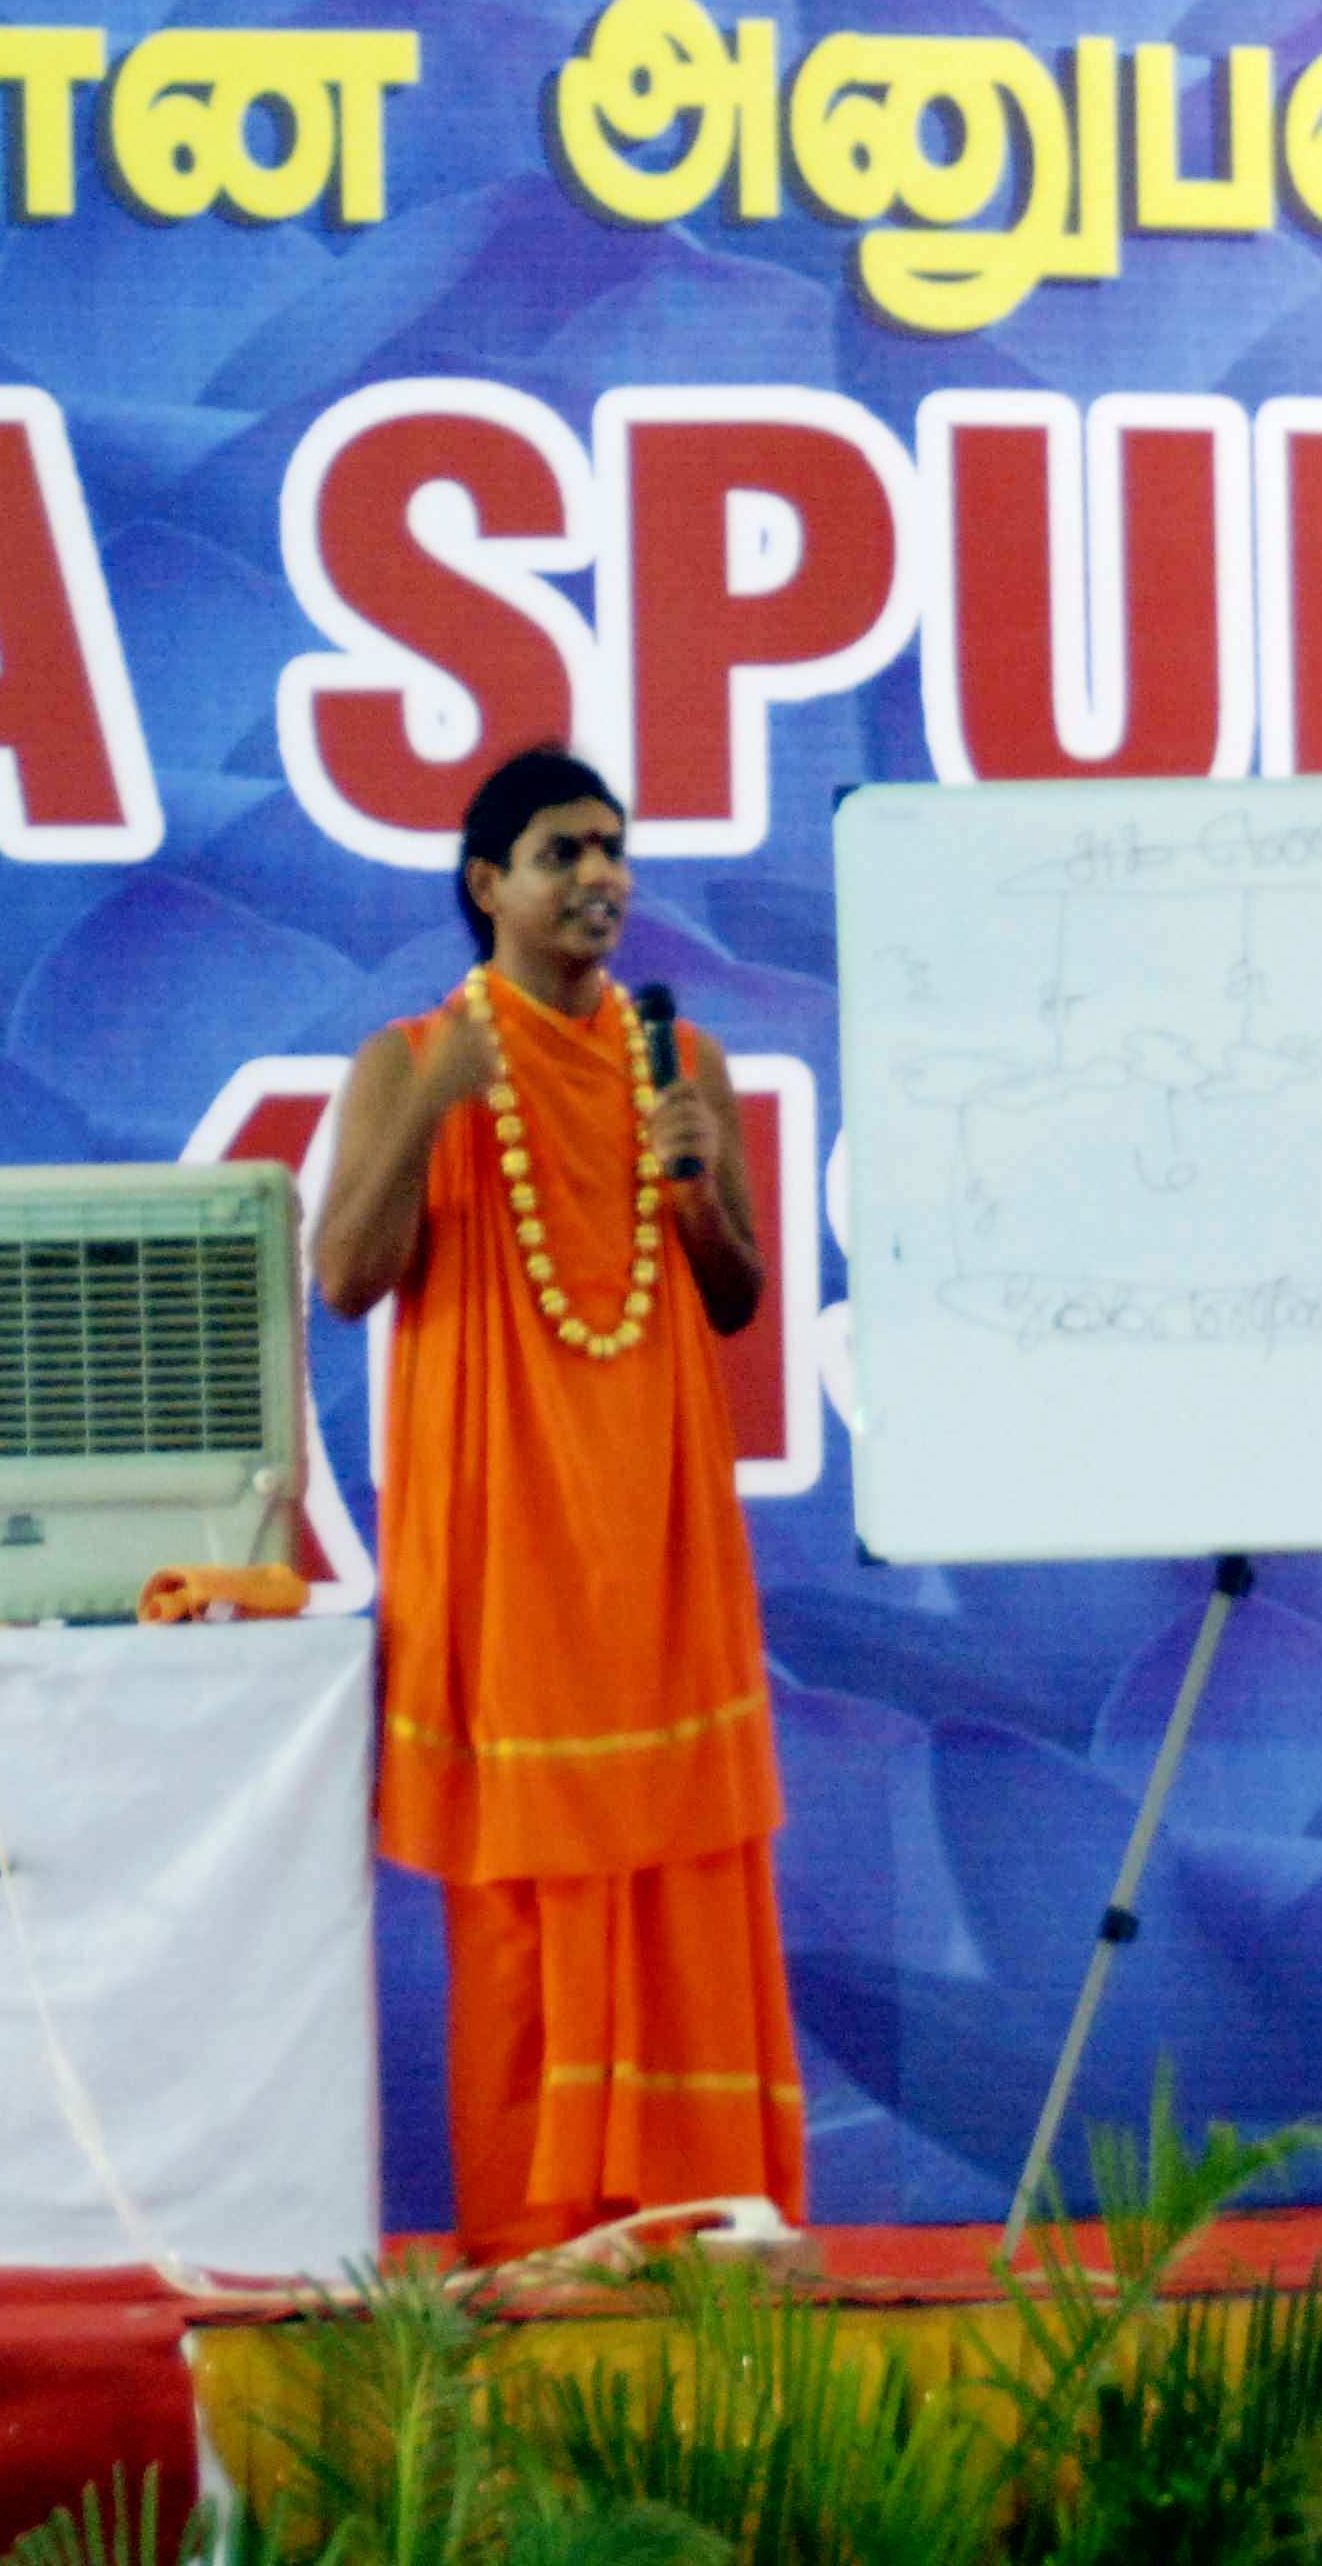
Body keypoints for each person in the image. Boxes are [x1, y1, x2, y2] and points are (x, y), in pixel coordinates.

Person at [311, 745, 804, 2265]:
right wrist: (431, 1109)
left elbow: (735, 1297)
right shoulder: (410, 1057)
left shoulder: (682, 1060)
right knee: (531, 1880)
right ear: (488, 885)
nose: (600, 878)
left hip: (659, 1526)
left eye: (612, 849)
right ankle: (542, 2227)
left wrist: (699, 1189)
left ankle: (698, 2213)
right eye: (561, 853)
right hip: (506, 1528)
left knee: (682, 1864)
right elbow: (345, 1279)